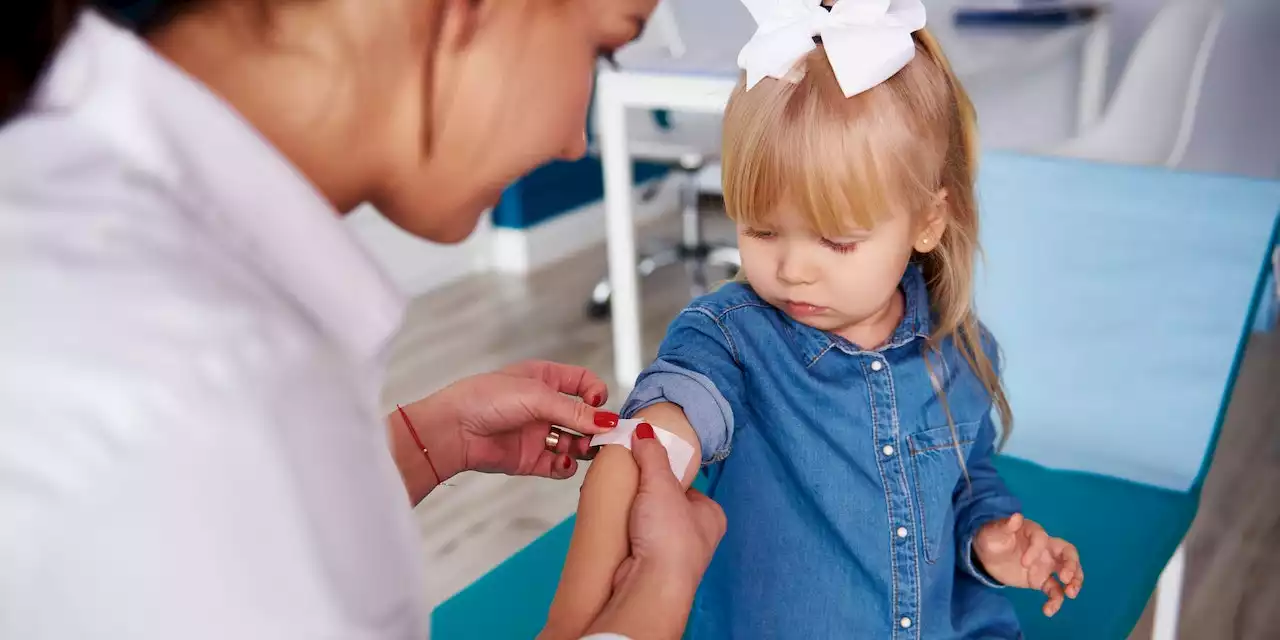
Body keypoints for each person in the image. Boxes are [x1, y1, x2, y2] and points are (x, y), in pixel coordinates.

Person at [0, 1, 725, 639]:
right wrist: (649, 608)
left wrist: (428, 442)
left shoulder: (66, 214)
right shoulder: (202, 387)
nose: (575, 139)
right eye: (600, 49)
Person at [540, 1, 1085, 638]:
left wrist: (989, 538)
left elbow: (964, 480)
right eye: (761, 229)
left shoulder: (957, 348)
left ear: (928, 222)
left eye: (837, 241)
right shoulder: (731, 341)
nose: (794, 269)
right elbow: (647, 449)